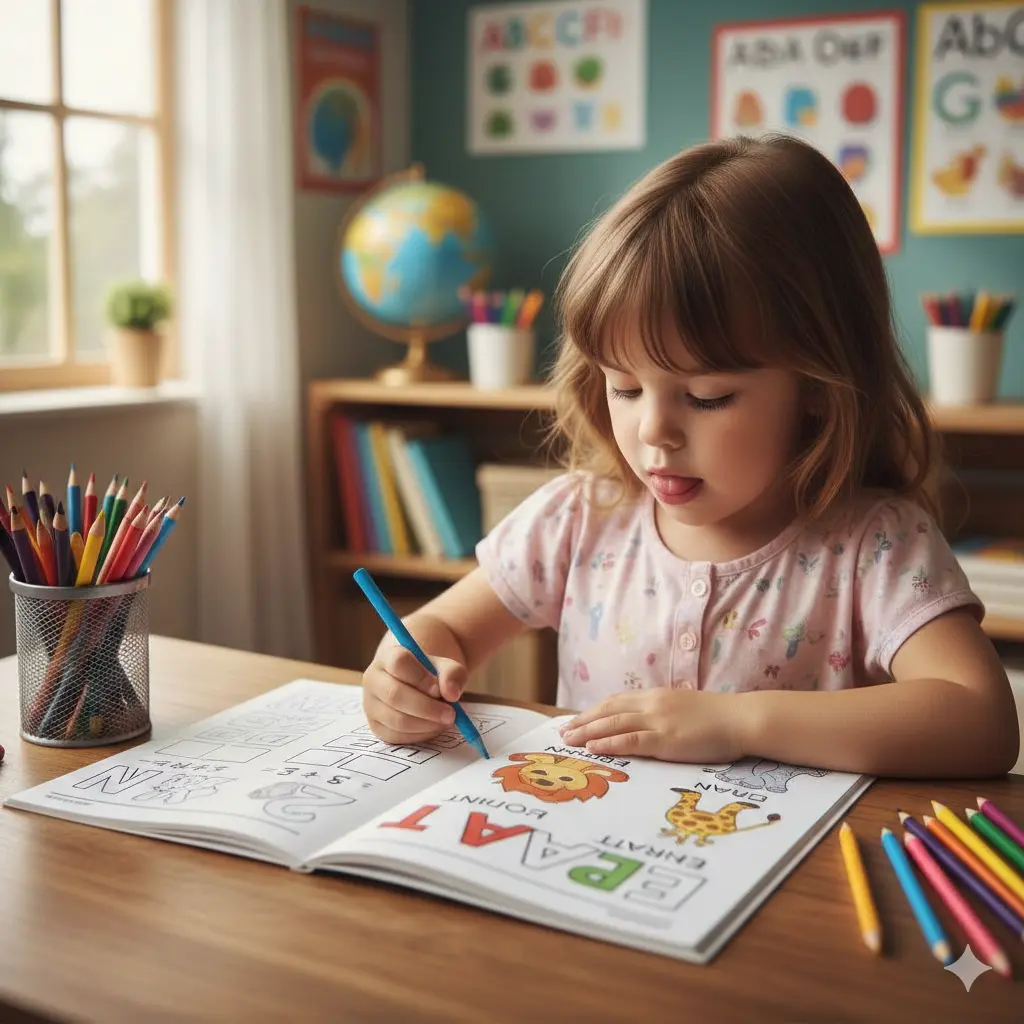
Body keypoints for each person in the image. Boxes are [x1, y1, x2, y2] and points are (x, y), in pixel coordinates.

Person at [361, 134, 1019, 779]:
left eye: (706, 397)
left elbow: (982, 720)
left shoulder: (876, 546)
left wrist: (737, 723)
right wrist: (405, 668)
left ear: (818, 388)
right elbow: (443, 626)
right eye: (624, 386)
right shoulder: (578, 519)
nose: (655, 430)